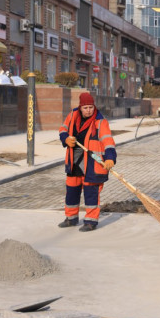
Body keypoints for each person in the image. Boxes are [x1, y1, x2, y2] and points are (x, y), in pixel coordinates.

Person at [57, 92, 116, 232]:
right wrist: (65, 138)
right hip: (74, 160)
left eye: (91, 107)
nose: (88, 110)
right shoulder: (72, 116)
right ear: (80, 107)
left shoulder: (100, 121)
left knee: (91, 192)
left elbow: (108, 141)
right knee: (71, 190)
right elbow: (62, 129)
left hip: (92, 163)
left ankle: (90, 222)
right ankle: (71, 218)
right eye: (85, 108)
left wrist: (110, 158)